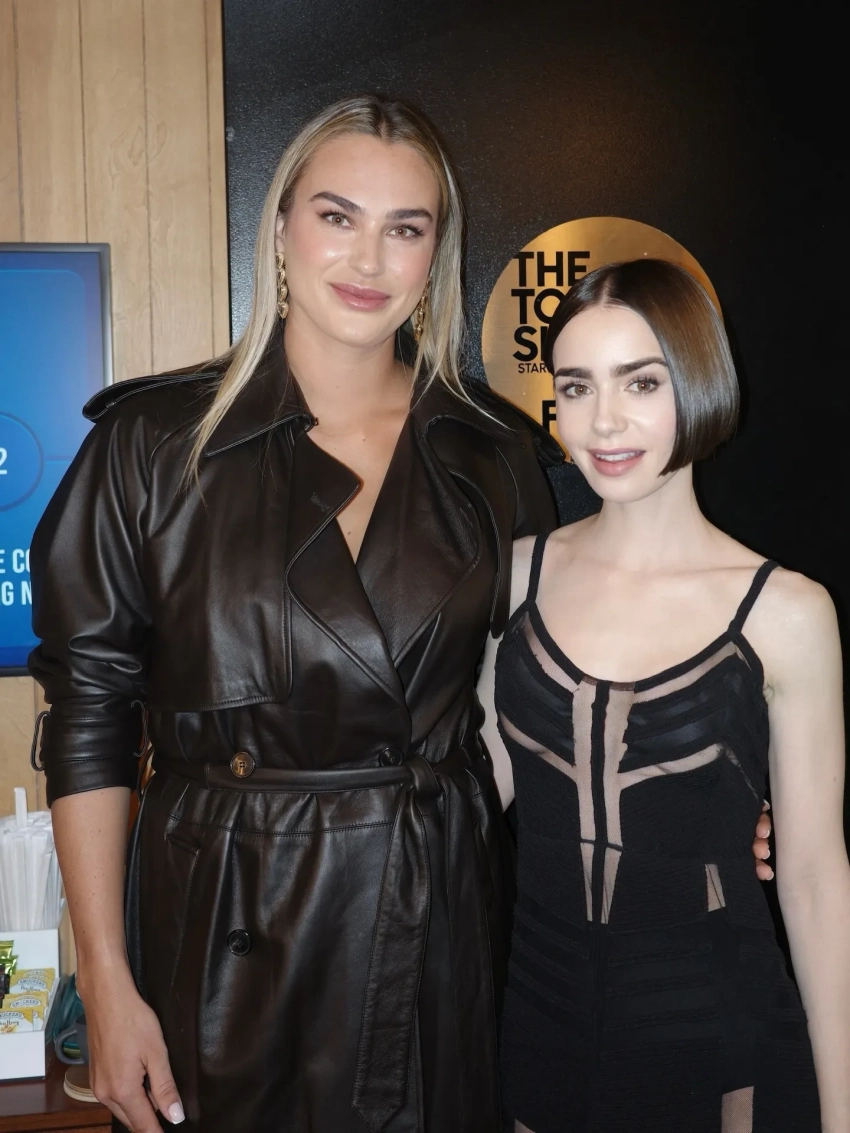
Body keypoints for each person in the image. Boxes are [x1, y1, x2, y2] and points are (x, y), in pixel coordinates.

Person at [27, 94, 769, 1132]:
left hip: (437, 924)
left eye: (405, 227)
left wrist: (712, 807)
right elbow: (90, 716)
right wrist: (105, 980)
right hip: (221, 923)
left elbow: (549, 692)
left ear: (436, 255)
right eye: (337, 216)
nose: (368, 257)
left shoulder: (489, 454)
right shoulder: (154, 444)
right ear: (280, 229)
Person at [478, 258, 850, 1132]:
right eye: (577, 385)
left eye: (641, 382)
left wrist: (842, 1113)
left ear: (697, 381)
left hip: (715, 1027)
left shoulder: (786, 611)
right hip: (540, 1009)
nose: (604, 419)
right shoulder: (516, 574)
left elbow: (811, 877)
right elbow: (468, 793)